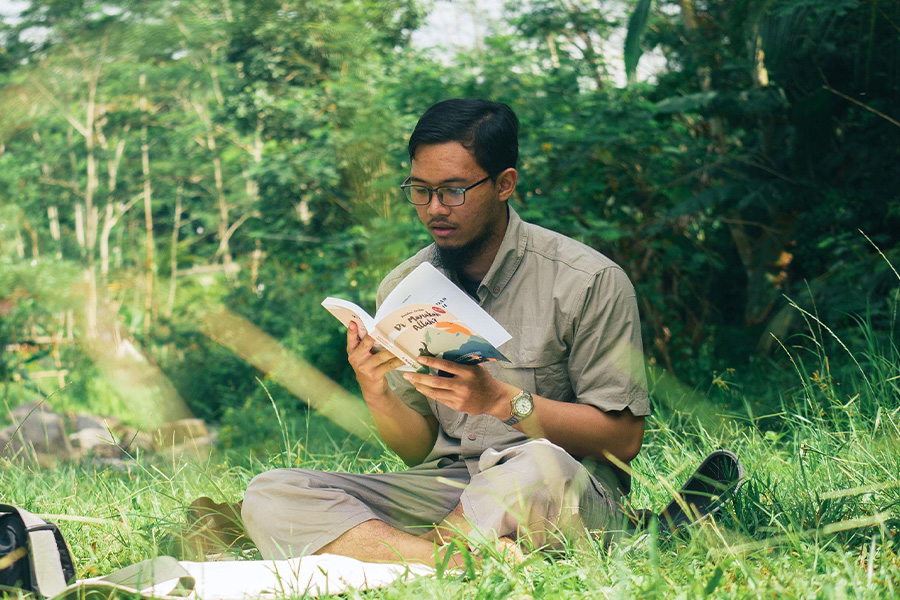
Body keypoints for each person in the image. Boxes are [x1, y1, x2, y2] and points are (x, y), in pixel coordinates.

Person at [241, 98, 649, 564]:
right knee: (273, 492)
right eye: (420, 189)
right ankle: (459, 562)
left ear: (504, 184)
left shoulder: (587, 281)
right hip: (451, 489)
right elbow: (420, 451)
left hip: (562, 488)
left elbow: (623, 441)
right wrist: (375, 390)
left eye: (453, 191)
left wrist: (501, 402)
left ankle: (399, 557)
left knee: (537, 464)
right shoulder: (404, 286)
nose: (435, 209)